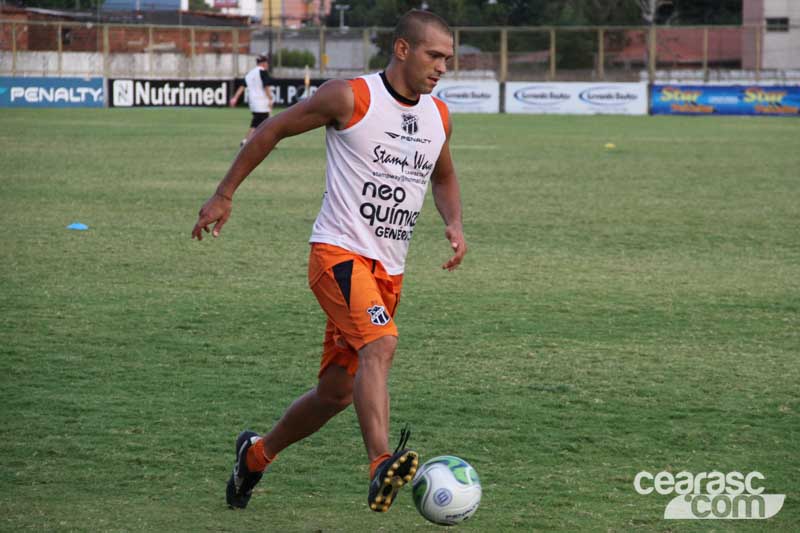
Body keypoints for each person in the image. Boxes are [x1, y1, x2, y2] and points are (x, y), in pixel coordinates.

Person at [192, 9, 466, 514]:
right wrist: (224, 194)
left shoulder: (438, 115)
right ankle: (381, 463)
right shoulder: (351, 97)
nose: (442, 67)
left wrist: (453, 222)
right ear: (402, 49)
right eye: (434, 55)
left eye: (448, 58)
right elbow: (272, 130)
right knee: (380, 345)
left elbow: (443, 175)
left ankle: (255, 456)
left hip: (388, 272)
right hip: (337, 255)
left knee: (335, 394)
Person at [229, 54, 274, 147]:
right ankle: (246, 141)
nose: (267, 64)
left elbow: (242, 87)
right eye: (267, 62)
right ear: (263, 63)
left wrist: (235, 98)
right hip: (261, 102)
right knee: (259, 123)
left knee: (264, 122)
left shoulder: (250, 73)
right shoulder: (263, 72)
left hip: (253, 102)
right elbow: (266, 87)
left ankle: (266, 142)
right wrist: (270, 98)